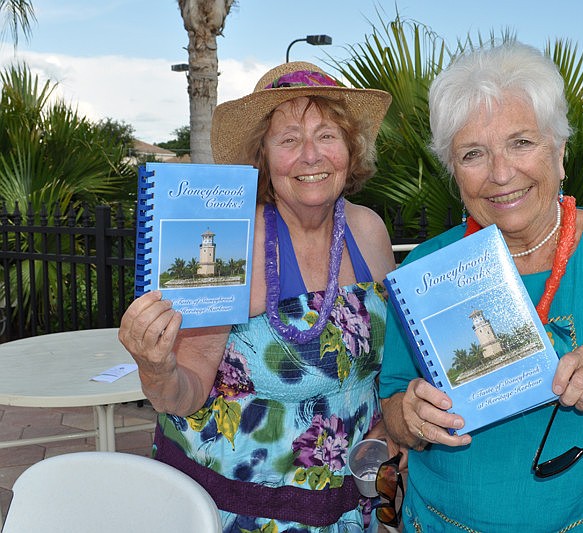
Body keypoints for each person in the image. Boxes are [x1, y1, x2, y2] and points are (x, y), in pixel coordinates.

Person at [379, 42, 583, 532]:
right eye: (473, 153)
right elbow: (393, 405)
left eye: (521, 143)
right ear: (454, 172)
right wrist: (410, 417)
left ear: (559, 153)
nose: (500, 173)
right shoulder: (429, 269)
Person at [119, 61, 398, 532]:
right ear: (263, 157)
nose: (311, 156)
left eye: (327, 135)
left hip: (348, 507)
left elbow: (388, 368)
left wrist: (390, 428)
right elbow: (183, 395)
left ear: (350, 149)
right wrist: (156, 367)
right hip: (238, 509)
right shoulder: (233, 239)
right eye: (288, 140)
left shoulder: (368, 231)